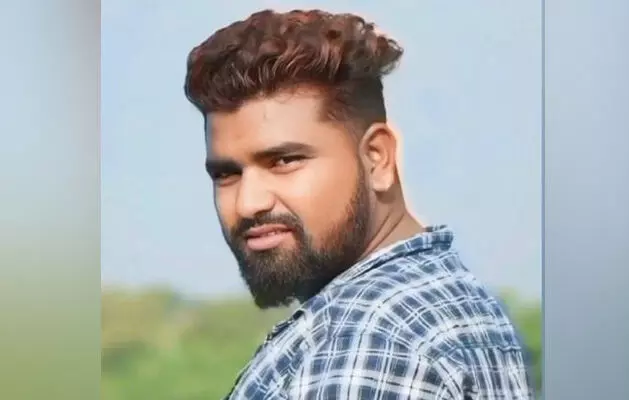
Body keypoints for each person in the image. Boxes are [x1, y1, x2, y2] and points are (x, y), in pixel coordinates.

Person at [183, 8, 535, 400]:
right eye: (226, 174)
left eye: (284, 161)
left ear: (377, 158)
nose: (249, 203)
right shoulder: (452, 302)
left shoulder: (372, 339)